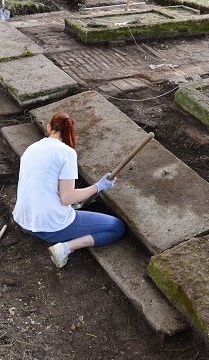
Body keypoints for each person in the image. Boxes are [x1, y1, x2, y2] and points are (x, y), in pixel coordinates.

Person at [13, 112, 126, 269]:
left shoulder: (31, 148)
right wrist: (98, 186)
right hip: (49, 226)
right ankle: (64, 248)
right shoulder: (66, 152)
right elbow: (67, 198)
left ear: (48, 127)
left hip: (24, 219)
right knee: (117, 227)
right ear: (70, 133)